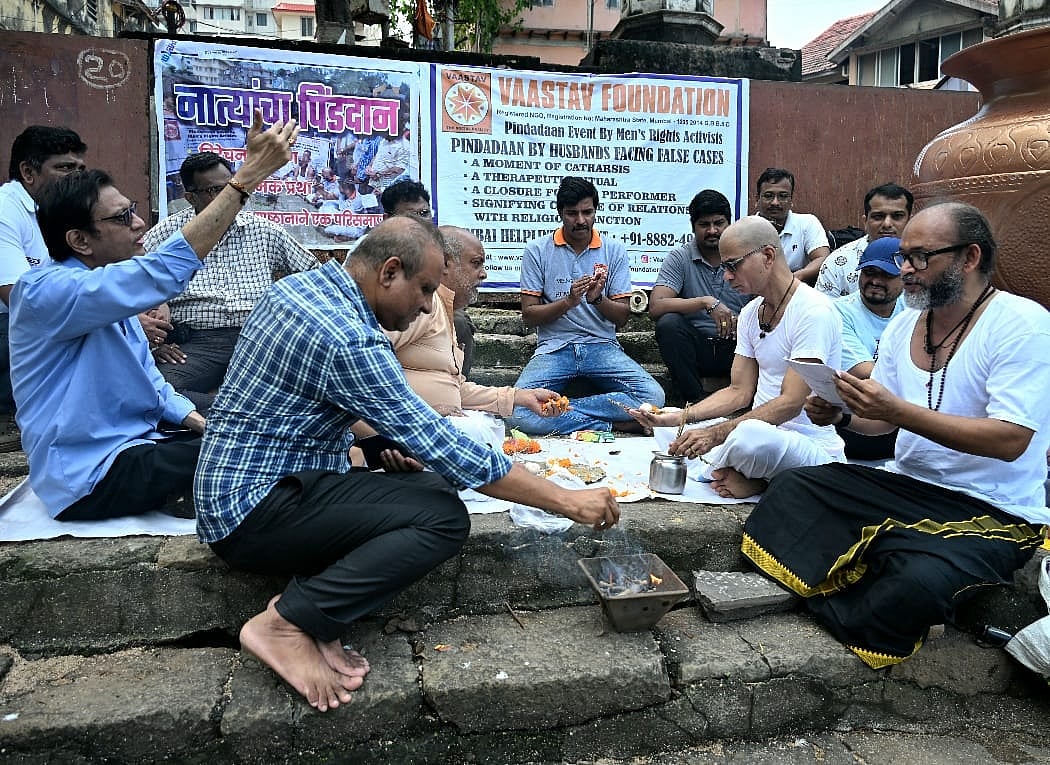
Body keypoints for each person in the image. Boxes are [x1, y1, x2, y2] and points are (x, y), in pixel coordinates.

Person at [193, 215, 619, 713]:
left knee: (429, 490)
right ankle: (288, 622)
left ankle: (316, 615)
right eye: (423, 290)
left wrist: (380, 449)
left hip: (255, 485)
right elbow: (442, 443)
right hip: (254, 509)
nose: (424, 305)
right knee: (442, 518)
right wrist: (565, 499)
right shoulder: (350, 337)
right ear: (389, 272)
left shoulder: (300, 289)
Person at [745, 201, 1050, 669]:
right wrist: (843, 417)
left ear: (969, 258)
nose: (904, 269)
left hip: (991, 507)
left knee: (916, 583)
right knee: (794, 488)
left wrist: (898, 411)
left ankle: (865, 573)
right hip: (905, 485)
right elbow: (883, 421)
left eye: (918, 257)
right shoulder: (908, 320)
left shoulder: (1022, 324)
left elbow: (1010, 439)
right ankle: (873, 565)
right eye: (904, 256)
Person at [9, 111, 297, 520]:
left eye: (133, 209)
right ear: (79, 240)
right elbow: (163, 272)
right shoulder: (48, 291)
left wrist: (200, 422)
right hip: (92, 476)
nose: (140, 222)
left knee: (261, 426)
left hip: (142, 441)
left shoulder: (106, 289)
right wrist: (246, 178)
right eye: (121, 218)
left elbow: (150, 384)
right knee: (259, 451)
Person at [632, 216, 844, 499]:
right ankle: (750, 474)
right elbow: (738, 392)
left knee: (750, 436)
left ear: (768, 255)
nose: (727, 276)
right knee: (669, 425)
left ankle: (758, 478)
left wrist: (716, 434)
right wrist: (681, 417)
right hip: (759, 435)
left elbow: (791, 404)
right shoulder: (750, 313)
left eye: (733, 265)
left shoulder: (813, 311)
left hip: (805, 446)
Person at [143, 151, 318, 413]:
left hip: (260, 337)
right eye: (215, 190)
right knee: (153, 388)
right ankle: (240, 414)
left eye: (233, 185)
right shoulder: (168, 235)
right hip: (198, 342)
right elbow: (132, 285)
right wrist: (155, 325)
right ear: (190, 197)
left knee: (317, 383)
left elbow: (314, 278)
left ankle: (238, 414)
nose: (231, 195)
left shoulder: (264, 230)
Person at [508, 176, 665, 435]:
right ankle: (612, 424)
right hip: (555, 347)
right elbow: (529, 316)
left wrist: (596, 299)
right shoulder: (537, 250)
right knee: (517, 412)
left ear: (595, 211)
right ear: (560, 213)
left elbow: (622, 318)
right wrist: (568, 301)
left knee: (653, 397)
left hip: (601, 346)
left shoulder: (613, 250)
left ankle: (564, 409)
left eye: (587, 212)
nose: (580, 220)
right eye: (572, 213)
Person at [384, 226, 561, 446]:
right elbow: (361, 367)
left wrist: (520, 397)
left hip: (432, 423)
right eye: (476, 263)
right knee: (474, 432)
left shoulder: (445, 308)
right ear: (445, 264)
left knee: (489, 425)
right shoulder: (420, 307)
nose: (484, 273)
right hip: (404, 427)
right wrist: (421, 412)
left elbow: (455, 388)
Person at [0, 126, 87, 452]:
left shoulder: (61, 210)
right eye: (65, 168)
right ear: (28, 172)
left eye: (81, 168)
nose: (77, 176)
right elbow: (23, 301)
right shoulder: (5, 210)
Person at [649, 190, 751, 402]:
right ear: (693, 226)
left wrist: (745, 323)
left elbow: (770, 300)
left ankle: (750, 398)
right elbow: (656, 306)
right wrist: (706, 302)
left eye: (718, 223)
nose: (712, 230)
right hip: (697, 348)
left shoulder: (747, 257)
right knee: (668, 324)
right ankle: (694, 401)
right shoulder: (680, 257)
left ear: (729, 224)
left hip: (738, 347)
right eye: (704, 224)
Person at [831, 236, 909, 460]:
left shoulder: (916, 310)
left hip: (903, 420)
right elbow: (867, 374)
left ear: (905, 277)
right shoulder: (837, 312)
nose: (875, 280)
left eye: (886, 274)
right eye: (869, 273)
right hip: (854, 423)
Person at [816, 183, 913, 297]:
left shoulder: (926, 259)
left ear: (910, 221)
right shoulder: (838, 262)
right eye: (878, 216)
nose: (887, 224)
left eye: (897, 216)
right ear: (865, 222)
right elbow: (822, 310)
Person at [753, 167, 829, 285]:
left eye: (783, 196)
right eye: (768, 196)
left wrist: (795, 278)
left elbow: (822, 258)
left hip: (796, 290)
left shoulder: (807, 223)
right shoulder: (744, 229)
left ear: (791, 200)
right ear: (757, 199)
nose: (775, 202)